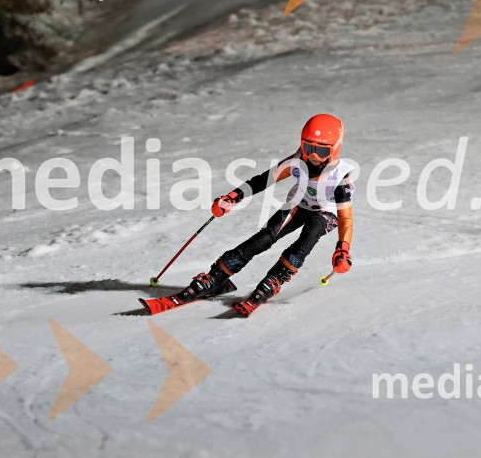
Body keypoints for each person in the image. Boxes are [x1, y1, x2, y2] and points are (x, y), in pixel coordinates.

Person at [141, 113, 354, 317]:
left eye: (322, 151)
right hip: (299, 203)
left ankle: (275, 280)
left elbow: (345, 218)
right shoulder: (298, 159)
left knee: (310, 234)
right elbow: (265, 180)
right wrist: (234, 197)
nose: (313, 156)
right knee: (265, 237)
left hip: (327, 212)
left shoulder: (339, 176)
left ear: (335, 150)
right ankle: (216, 276)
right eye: (309, 147)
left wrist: (342, 250)